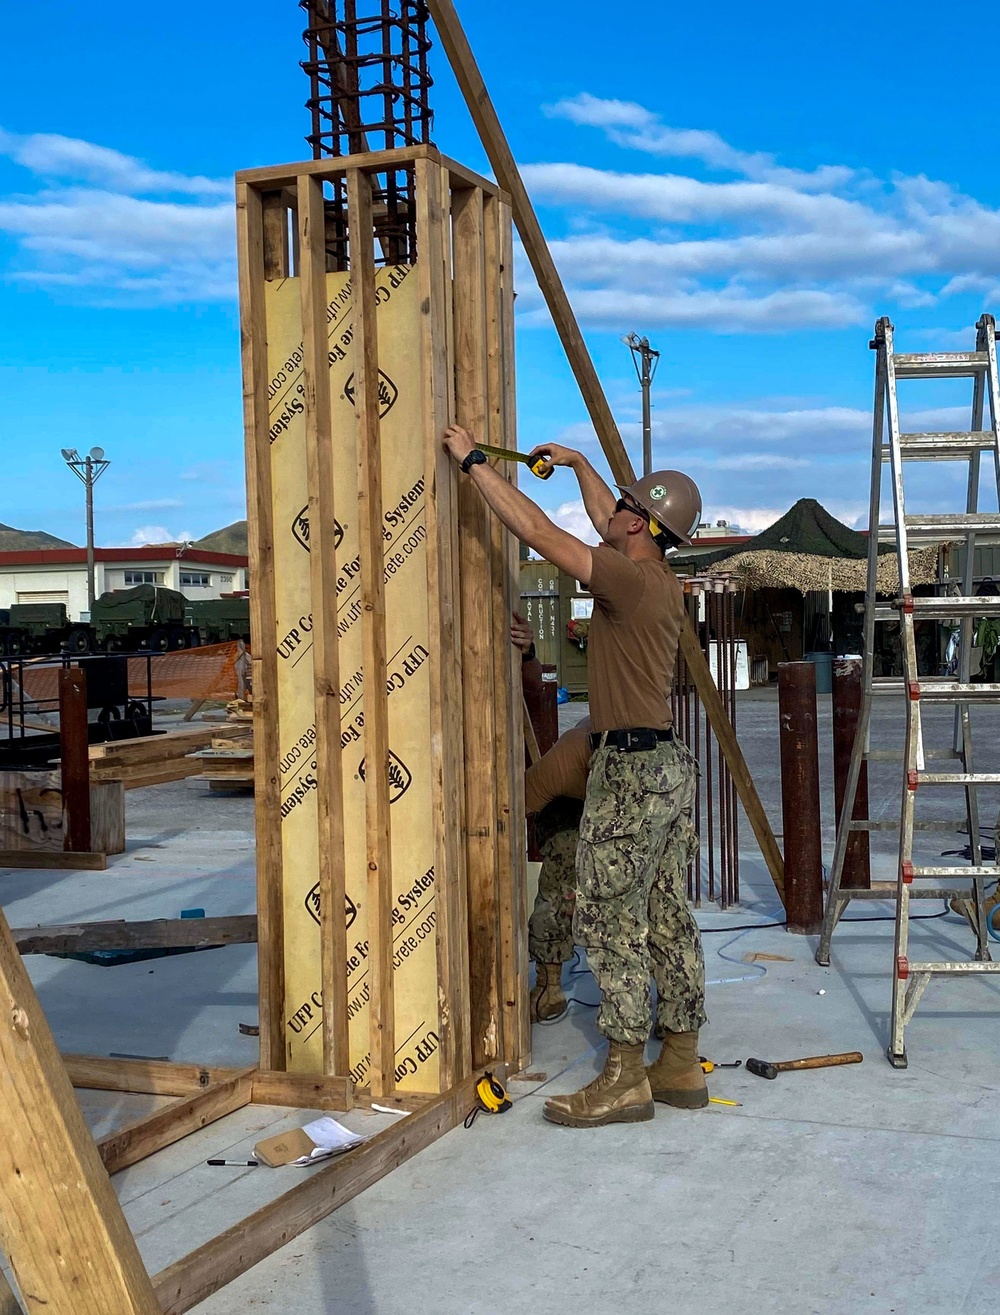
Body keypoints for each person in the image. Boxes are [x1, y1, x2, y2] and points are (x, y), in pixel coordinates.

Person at [442, 425, 706, 1128]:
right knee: (665, 913)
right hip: (667, 766)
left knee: (611, 918)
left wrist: (473, 463)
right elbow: (595, 518)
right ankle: (678, 1059)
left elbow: (539, 529)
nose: (608, 511)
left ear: (640, 524)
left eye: (621, 505)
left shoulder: (625, 577)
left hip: (627, 770)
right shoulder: (657, 577)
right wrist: (582, 461)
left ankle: (623, 1075)